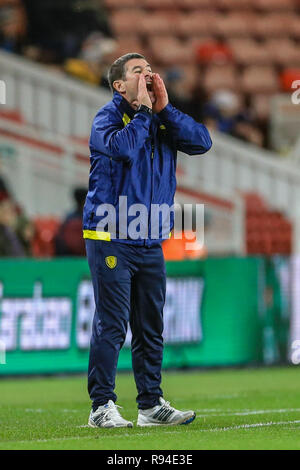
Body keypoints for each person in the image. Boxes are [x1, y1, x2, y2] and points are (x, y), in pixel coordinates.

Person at [83, 53, 212, 428]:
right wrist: (143, 111)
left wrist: (166, 110)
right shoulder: (107, 118)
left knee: (151, 324)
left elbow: (202, 142)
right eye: (138, 71)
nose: (148, 74)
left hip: (149, 238)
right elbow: (123, 149)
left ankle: (151, 405)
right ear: (119, 85)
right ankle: (101, 406)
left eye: (149, 69)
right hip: (110, 235)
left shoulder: (161, 119)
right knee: (112, 323)